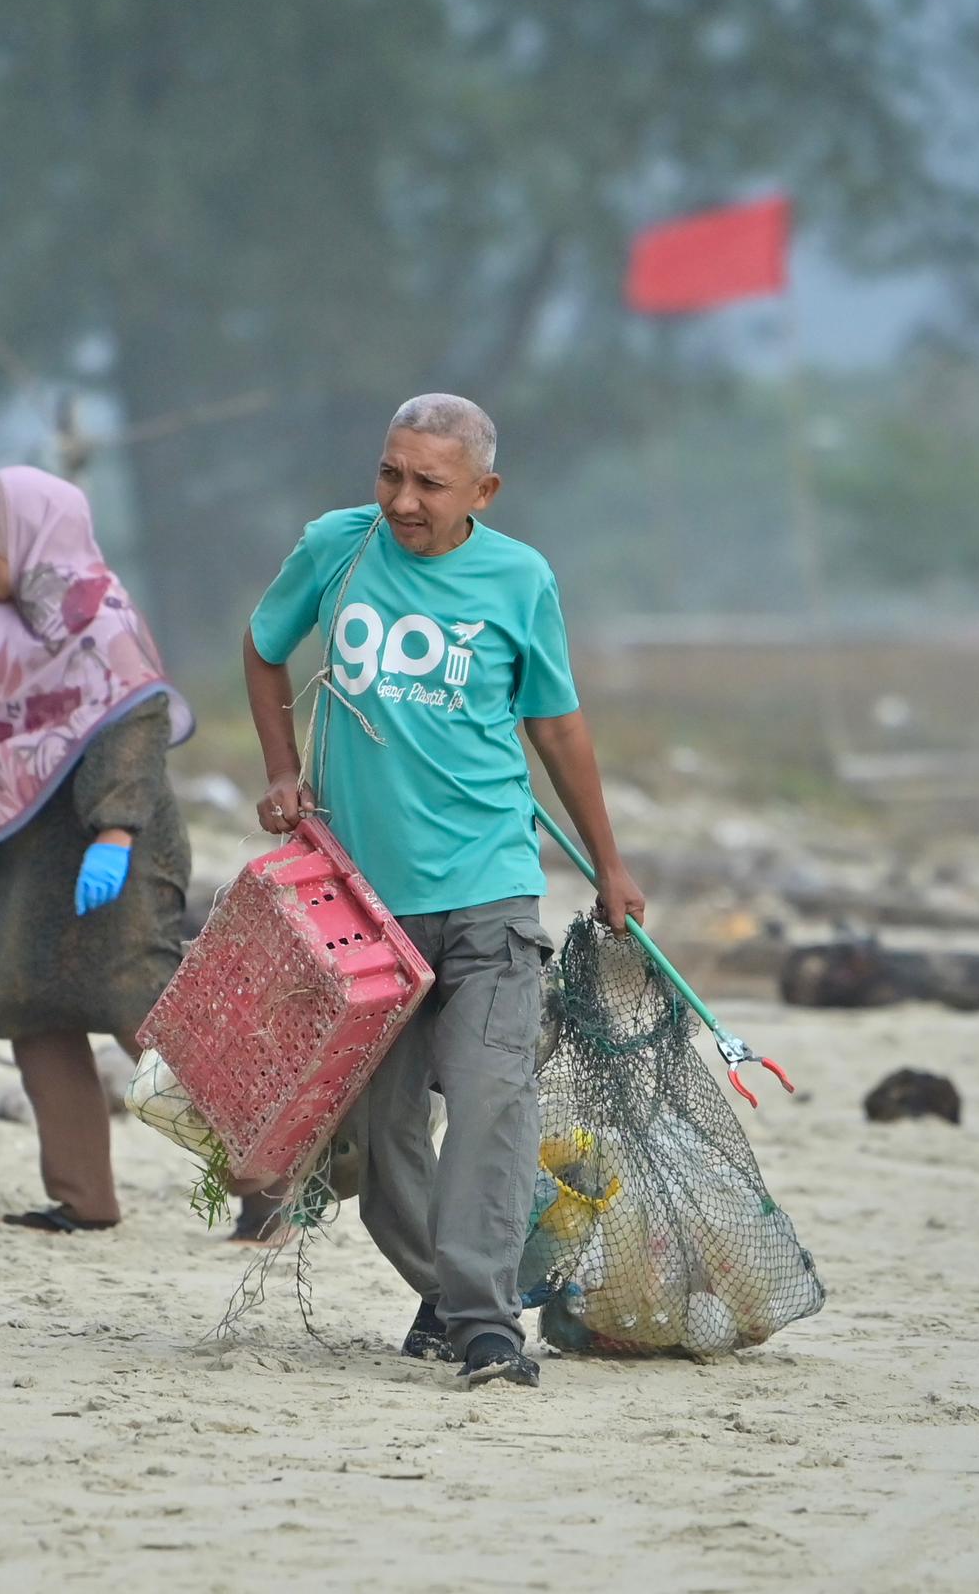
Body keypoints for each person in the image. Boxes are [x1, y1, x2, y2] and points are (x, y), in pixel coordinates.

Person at [243, 392, 643, 1388]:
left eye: (428, 482)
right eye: (390, 474)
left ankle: (484, 1323)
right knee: (384, 1147)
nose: (403, 500)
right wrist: (282, 770)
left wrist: (609, 863)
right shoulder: (336, 550)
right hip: (363, 909)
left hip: (488, 885)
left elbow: (555, 727)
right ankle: (449, 1291)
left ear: (483, 490)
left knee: (488, 1097)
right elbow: (262, 646)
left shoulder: (518, 578)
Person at [0, 466, 197, 1236]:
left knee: (148, 1020)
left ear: (29, 538)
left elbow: (135, 721)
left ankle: (264, 1184)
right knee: (31, 1011)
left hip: (118, 846)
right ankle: (83, 1197)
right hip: (25, 854)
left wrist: (114, 834)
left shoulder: (100, 617)